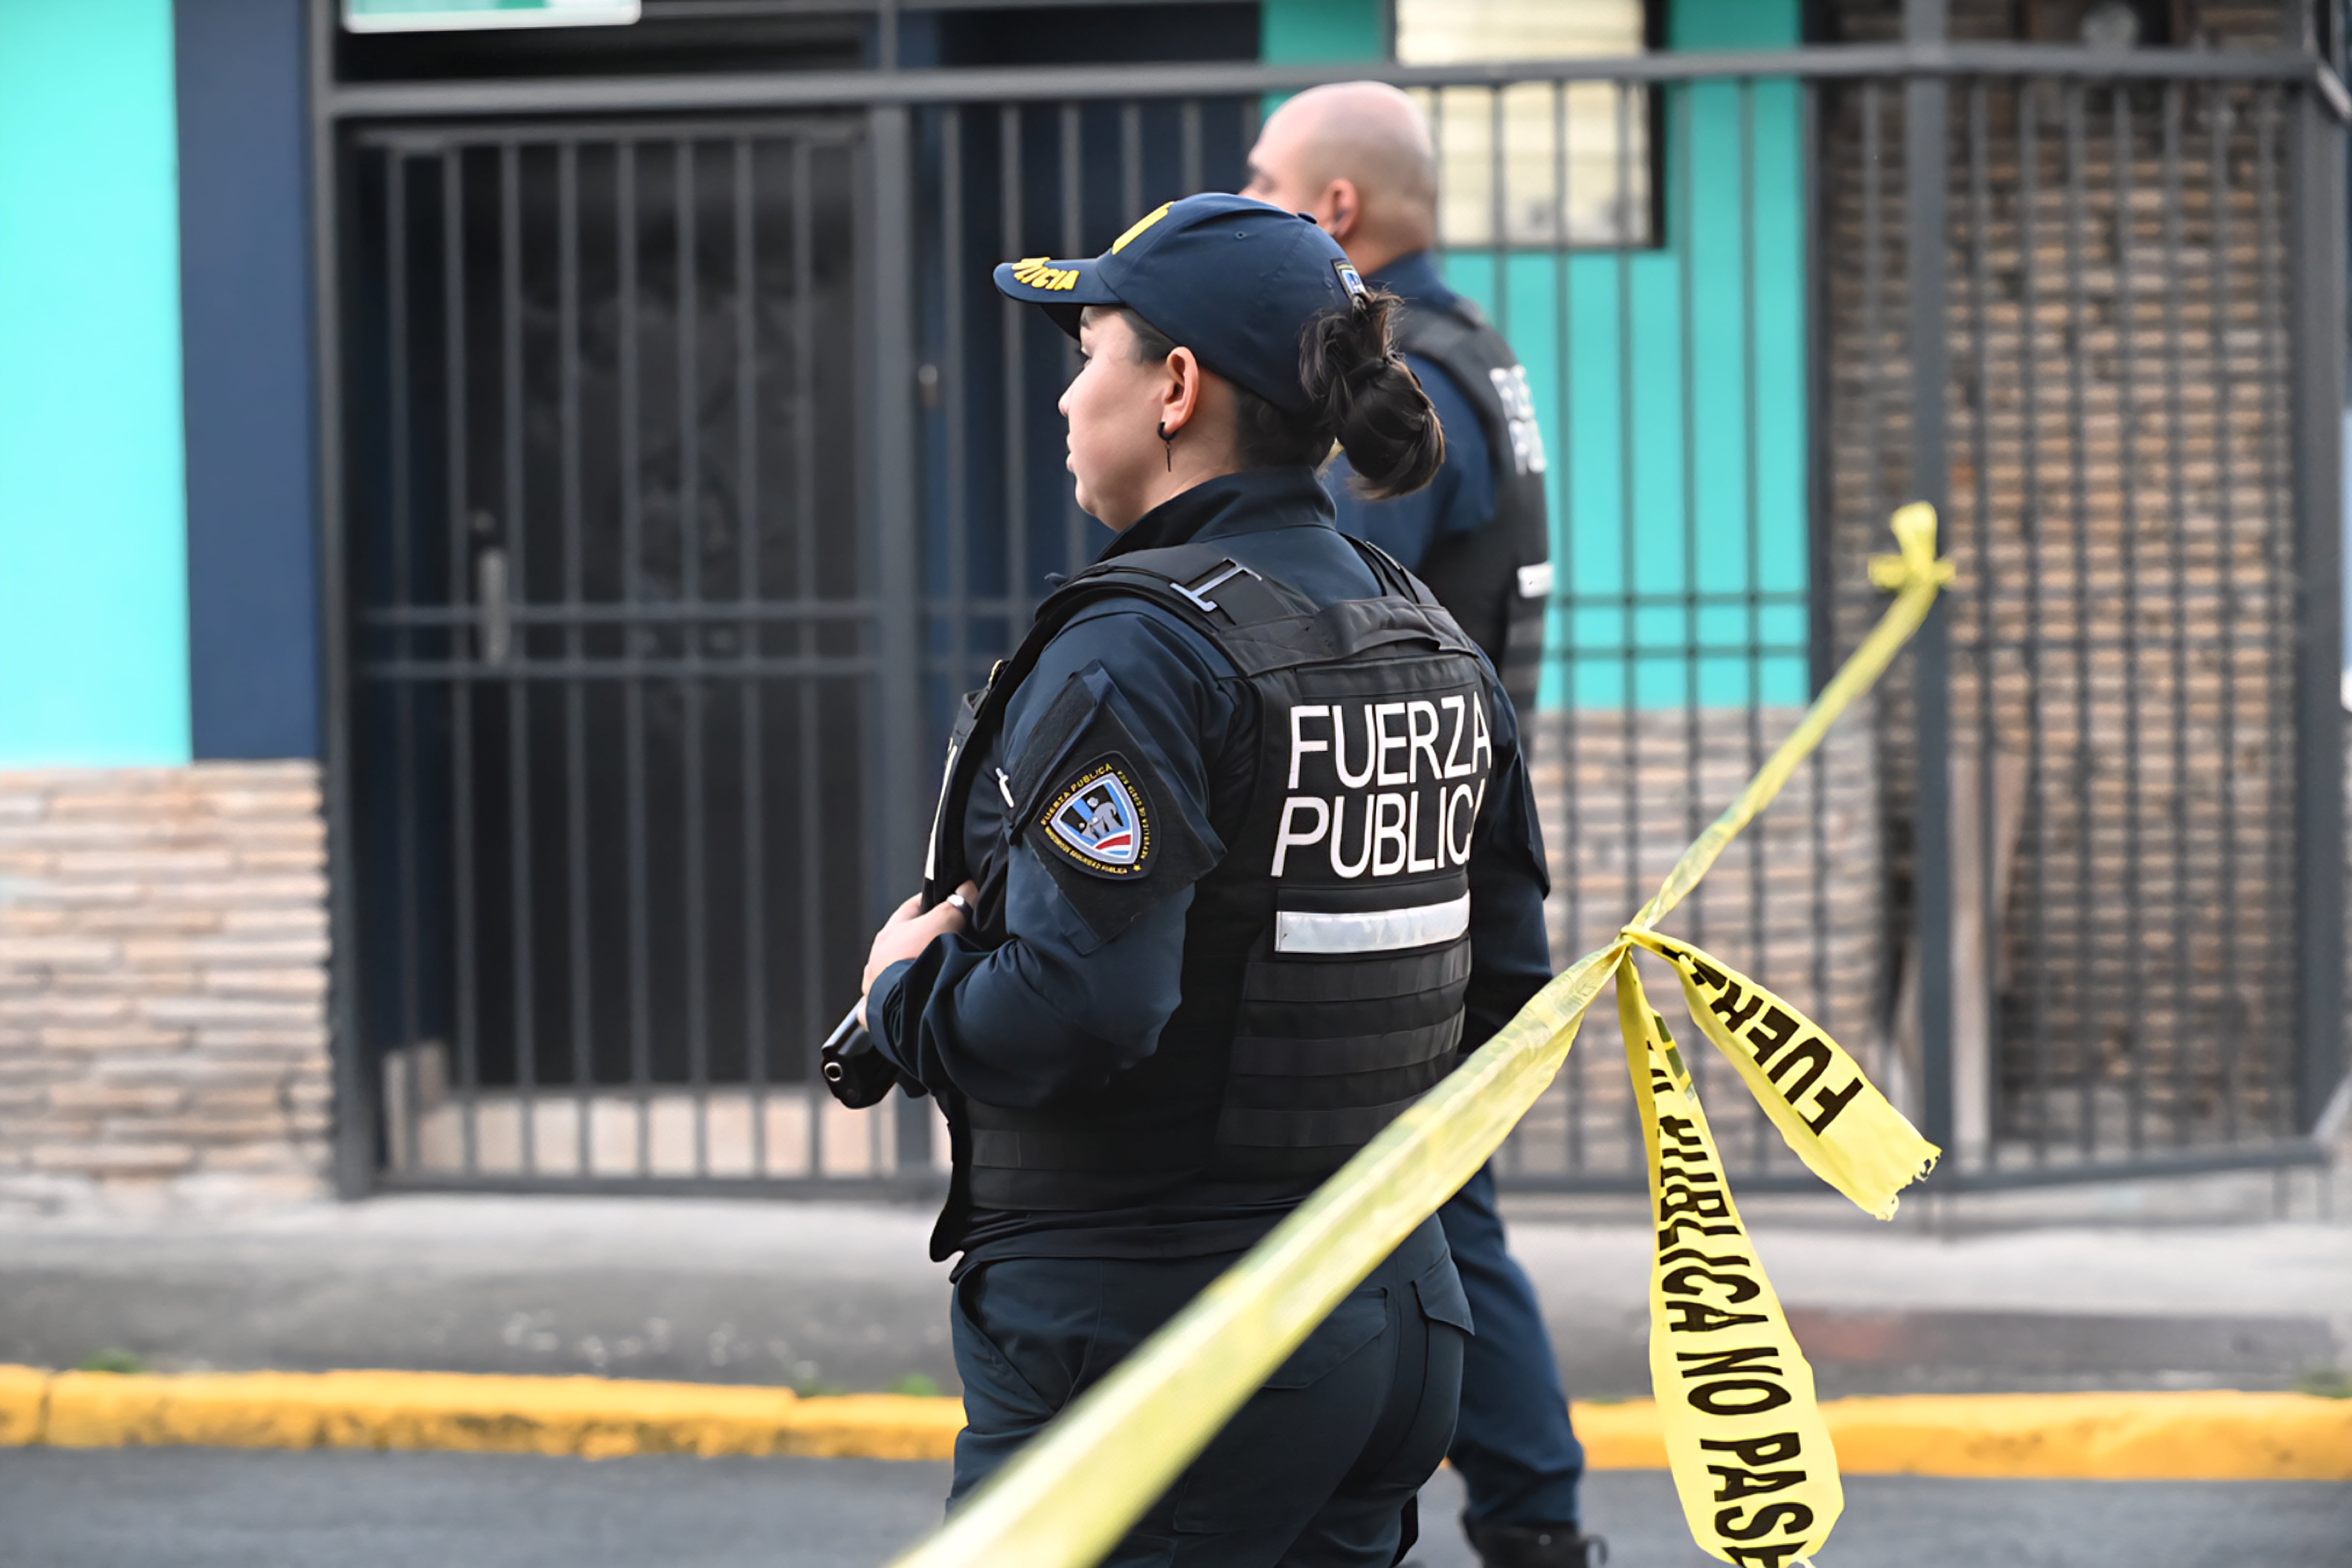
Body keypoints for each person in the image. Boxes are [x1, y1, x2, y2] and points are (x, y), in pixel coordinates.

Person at [834, 192, 1556, 1567]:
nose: (1063, 400)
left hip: (1154, 1339)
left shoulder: (1138, 656)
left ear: (1173, 388)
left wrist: (903, 999)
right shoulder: (1423, 635)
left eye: (1086, 350)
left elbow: (1080, 1007)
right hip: (1381, 1321)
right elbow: (1506, 989)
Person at [1246, 85, 1603, 1568]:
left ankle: (1529, 1519)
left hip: (1402, 862)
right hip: (1447, 844)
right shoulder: (1477, 353)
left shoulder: (1409, 387)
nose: (1246, 193)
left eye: (1262, 177)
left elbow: (1324, 603)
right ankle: (1525, 1513)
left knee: (1440, 1214)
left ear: (1332, 208)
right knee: (1439, 1203)